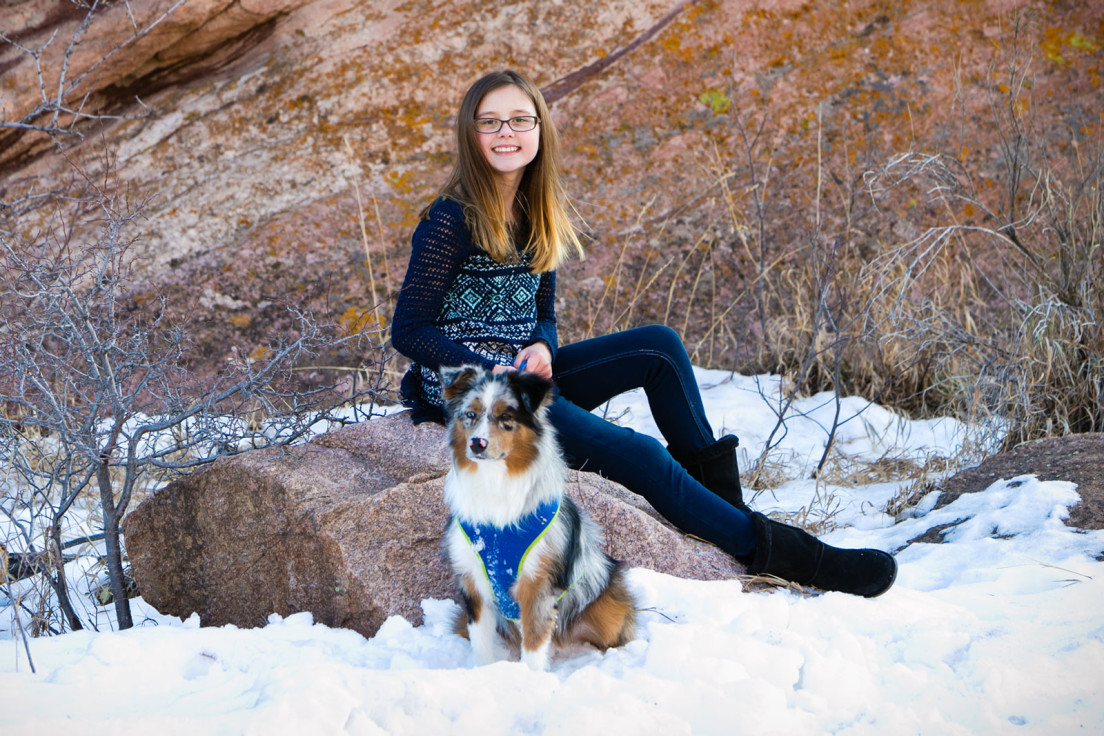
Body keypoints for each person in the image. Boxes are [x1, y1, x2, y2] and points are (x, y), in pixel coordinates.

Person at [390, 70, 896, 597]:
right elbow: (410, 328)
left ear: (539, 129)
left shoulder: (536, 209)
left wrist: (543, 346)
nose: (505, 133)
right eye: (489, 122)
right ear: (470, 134)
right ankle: (798, 559)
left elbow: (544, 314)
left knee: (660, 347)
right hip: (481, 396)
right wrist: (484, 369)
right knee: (644, 455)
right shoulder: (450, 220)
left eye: (519, 119)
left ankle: (727, 514)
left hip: (526, 374)